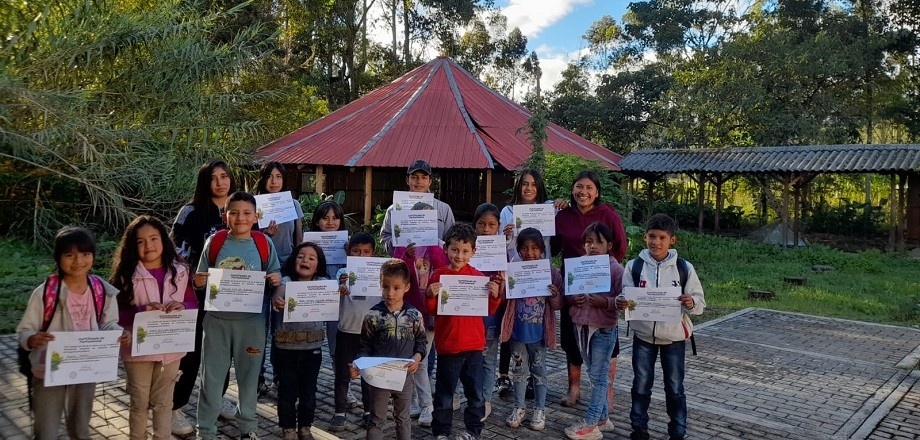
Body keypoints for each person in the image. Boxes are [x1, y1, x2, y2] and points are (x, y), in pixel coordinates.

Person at [17, 226, 126, 440]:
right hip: (49, 370)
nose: (78, 261)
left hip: (86, 369)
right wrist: (31, 339)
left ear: (93, 256)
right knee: (46, 430)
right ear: (58, 258)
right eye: (70, 255)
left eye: (85, 254)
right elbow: (25, 329)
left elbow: (108, 324)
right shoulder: (46, 292)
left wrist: (118, 333)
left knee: (80, 428)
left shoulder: (101, 290)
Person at [192, 191, 282, 440]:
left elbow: (275, 272)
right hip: (217, 322)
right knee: (211, 379)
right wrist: (198, 281)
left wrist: (275, 278)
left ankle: (248, 428)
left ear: (256, 217)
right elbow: (200, 279)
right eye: (234, 212)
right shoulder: (216, 241)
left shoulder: (264, 243)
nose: (240, 218)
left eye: (246, 213)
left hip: (252, 323)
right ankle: (206, 431)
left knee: (249, 379)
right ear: (225, 215)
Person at [616, 214, 706, 440]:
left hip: (674, 338)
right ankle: (639, 429)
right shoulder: (634, 266)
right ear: (645, 237)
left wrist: (691, 302)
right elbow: (624, 296)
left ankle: (677, 431)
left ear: (672, 240)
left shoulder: (684, 268)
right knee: (640, 386)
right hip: (643, 337)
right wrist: (621, 302)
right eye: (652, 237)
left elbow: (700, 302)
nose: (656, 242)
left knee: (675, 388)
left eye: (662, 238)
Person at [111, 216, 198, 440]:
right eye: (140, 241)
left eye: (153, 238)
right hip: (137, 352)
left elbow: (192, 302)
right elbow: (114, 314)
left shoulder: (180, 271)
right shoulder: (127, 275)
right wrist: (140, 311)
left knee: (163, 403)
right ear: (132, 245)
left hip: (171, 350)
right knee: (139, 401)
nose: (148, 245)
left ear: (164, 240)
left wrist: (183, 305)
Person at [169, 159, 236, 434]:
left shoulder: (240, 210)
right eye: (213, 178)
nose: (220, 182)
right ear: (204, 182)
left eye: (224, 176)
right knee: (190, 352)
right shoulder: (192, 212)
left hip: (230, 297)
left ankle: (216, 399)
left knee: (222, 352)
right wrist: (188, 277)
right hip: (194, 295)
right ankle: (174, 408)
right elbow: (175, 252)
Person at [552, 169, 627, 407]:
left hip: (601, 286)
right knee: (572, 339)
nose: (583, 192)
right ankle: (573, 389)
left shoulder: (608, 214)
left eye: (589, 188)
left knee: (607, 338)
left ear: (597, 192)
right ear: (572, 189)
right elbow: (552, 248)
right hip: (572, 284)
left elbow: (621, 248)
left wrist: (602, 272)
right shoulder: (563, 215)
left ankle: (607, 392)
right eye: (579, 187)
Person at [425, 223, 502, 440]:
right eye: (455, 250)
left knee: (475, 395)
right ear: (446, 249)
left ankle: (472, 432)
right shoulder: (438, 276)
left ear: (473, 252)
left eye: (465, 251)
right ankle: (441, 432)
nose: (459, 255)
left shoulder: (478, 277)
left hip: (474, 347)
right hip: (449, 345)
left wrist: (495, 296)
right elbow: (432, 311)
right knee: (445, 394)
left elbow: (488, 309)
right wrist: (430, 295)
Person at [497, 169, 564, 399]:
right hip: (515, 274)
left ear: (539, 187)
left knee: (537, 326)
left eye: (533, 184)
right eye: (524, 184)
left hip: (540, 275)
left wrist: (562, 205)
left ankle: (534, 382)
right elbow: (501, 247)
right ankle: (505, 376)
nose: (528, 188)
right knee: (512, 325)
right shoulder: (507, 211)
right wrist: (505, 236)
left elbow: (559, 225)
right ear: (518, 186)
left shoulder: (548, 208)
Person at [353, 259, 428, 440]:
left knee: (403, 418)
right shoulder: (373, 315)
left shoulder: (414, 315)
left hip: (404, 376)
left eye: (396, 287)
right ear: (380, 285)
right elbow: (364, 345)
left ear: (407, 287)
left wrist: (417, 358)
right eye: (385, 287)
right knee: (376, 417)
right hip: (379, 377)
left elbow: (421, 342)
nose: (390, 293)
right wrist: (358, 363)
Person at [563, 222, 625, 440]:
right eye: (588, 242)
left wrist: (605, 302)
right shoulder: (578, 266)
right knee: (593, 374)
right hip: (581, 327)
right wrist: (573, 299)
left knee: (599, 378)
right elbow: (567, 294)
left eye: (598, 242)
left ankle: (590, 425)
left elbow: (624, 299)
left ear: (609, 244)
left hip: (603, 330)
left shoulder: (616, 269)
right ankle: (603, 419)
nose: (593, 246)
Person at [499, 228, 562, 432]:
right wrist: (503, 284)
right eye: (524, 248)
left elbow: (559, 304)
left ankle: (539, 409)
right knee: (518, 370)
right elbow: (503, 298)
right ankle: (519, 407)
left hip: (539, 334)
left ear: (542, 250)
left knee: (539, 370)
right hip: (517, 332)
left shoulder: (550, 271)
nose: (529, 253)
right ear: (518, 250)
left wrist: (554, 295)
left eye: (535, 248)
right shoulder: (512, 269)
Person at [393, 202, 448, 426]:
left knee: (422, 360)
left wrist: (431, 245)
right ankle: (417, 402)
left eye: (428, 221)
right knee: (413, 358)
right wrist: (407, 255)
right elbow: (396, 271)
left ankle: (427, 406)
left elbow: (444, 267)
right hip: (409, 311)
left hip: (431, 312)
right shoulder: (401, 246)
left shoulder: (440, 246)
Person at [270, 242, 328, 440]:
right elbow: (277, 297)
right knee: (287, 391)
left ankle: (305, 427)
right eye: (301, 256)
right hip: (286, 348)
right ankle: (288, 428)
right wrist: (277, 301)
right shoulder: (285, 281)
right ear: (293, 260)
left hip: (312, 348)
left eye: (312, 258)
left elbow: (334, 299)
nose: (305, 260)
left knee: (308, 392)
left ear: (318, 265)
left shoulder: (323, 283)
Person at [255, 161, 304, 396]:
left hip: (285, 272)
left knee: (280, 328)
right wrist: (265, 235)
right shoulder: (254, 205)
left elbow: (299, 240)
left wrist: (298, 271)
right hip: (259, 273)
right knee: (258, 328)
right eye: (270, 176)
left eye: (279, 177)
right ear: (263, 179)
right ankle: (258, 377)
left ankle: (278, 375)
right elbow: (247, 239)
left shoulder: (292, 205)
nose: (274, 181)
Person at [330, 233, 378, 431]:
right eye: (356, 251)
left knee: (368, 374)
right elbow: (334, 291)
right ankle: (339, 411)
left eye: (366, 252)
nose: (361, 255)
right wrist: (340, 285)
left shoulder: (379, 272)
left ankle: (369, 411)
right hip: (346, 332)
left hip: (370, 333)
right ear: (349, 252)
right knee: (342, 373)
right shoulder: (342, 272)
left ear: (373, 254)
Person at [379, 159, 455, 255]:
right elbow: (385, 237)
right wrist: (401, 248)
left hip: (435, 264)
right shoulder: (393, 209)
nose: (419, 181)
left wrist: (438, 249)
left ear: (430, 181)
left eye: (424, 177)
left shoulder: (444, 209)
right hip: (404, 265)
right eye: (414, 177)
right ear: (407, 180)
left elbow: (452, 238)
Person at [473, 203, 505, 421]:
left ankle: (485, 399)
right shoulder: (467, 248)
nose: (486, 229)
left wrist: (502, 282)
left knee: (488, 356)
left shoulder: (502, 251)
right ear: (474, 225)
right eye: (481, 224)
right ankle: (460, 395)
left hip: (491, 312)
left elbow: (507, 286)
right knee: (465, 356)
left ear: (498, 227)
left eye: (491, 225)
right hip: (468, 311)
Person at [309, 200, 347, 378]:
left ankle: (343, 389)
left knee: (336, 347)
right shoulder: (308, 246)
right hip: (315, 299)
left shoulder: (348, 246)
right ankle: (307, 387)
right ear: (317, 221)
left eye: (335, 218)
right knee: (310, 345)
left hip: (338, 303)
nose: (331, 222)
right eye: (325, 218)